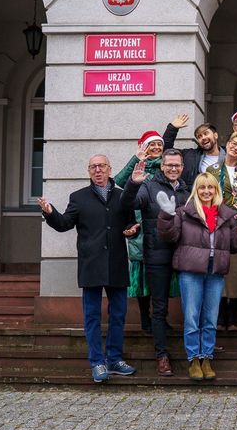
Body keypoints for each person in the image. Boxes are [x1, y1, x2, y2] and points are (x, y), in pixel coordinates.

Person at [38, 154, 138, 383]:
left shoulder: (122, 197)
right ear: (89, 171)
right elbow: (64, 224)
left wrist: (134, 229)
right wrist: (50, 212)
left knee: (118, 314)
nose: (98, 170)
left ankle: (114, 359)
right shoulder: (79, 197)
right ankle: (97, 362)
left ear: (110, 169)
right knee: (92, 316)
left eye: (102, 166)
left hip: (116, 263)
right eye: (93, 167)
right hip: (91, 265)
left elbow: (131, 222)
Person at [157, 173, 237, 381]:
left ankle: (206, 357)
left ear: (217, 191)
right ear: (196, 191)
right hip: (191, 272)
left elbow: (233, 245)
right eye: (202, 188)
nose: (206, 191)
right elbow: (168, 236)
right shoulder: (184, 213)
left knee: (209, 319)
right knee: (191, 318)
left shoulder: (226, 216)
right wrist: (166, 216)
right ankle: (193, 360)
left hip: (215, 272)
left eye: (211, 188)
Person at [121, 149, 190, 377]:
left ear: (182, 167)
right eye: (169, 164)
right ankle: (162, 356)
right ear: (162, 166)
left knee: (192, 304)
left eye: (176, 165)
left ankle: (198, 352)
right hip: (157, 256)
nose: (172, 168)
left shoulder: (186, 189)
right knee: (159, 308)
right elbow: (127, 203)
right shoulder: (148, 187)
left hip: (184, 255)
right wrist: (133, 183)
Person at [113, 129, 165, 332]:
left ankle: (162, 318)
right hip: (139, 230)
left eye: (159, 145)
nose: (156, 148)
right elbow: (117, 181)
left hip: (162, 229)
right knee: (142, 278)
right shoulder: (138, 167)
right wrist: (136, 158)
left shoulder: (165, 167)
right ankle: (145, 319)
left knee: (162, 277)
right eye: (152, 144)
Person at [205, 132, 237, 330]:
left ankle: (233, 316)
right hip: (216, 224)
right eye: (234, 143)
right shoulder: (213, 169)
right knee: (218, 269)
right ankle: (218, 317)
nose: (236, 148)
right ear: (227, 144)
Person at [160, 113, 224, 189]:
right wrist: (172, 129)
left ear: (215, 135)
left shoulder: (230, 156)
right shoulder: (189, 156)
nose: (203, 138)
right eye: (199, 137)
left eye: (206, 134)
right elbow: (166, 150)